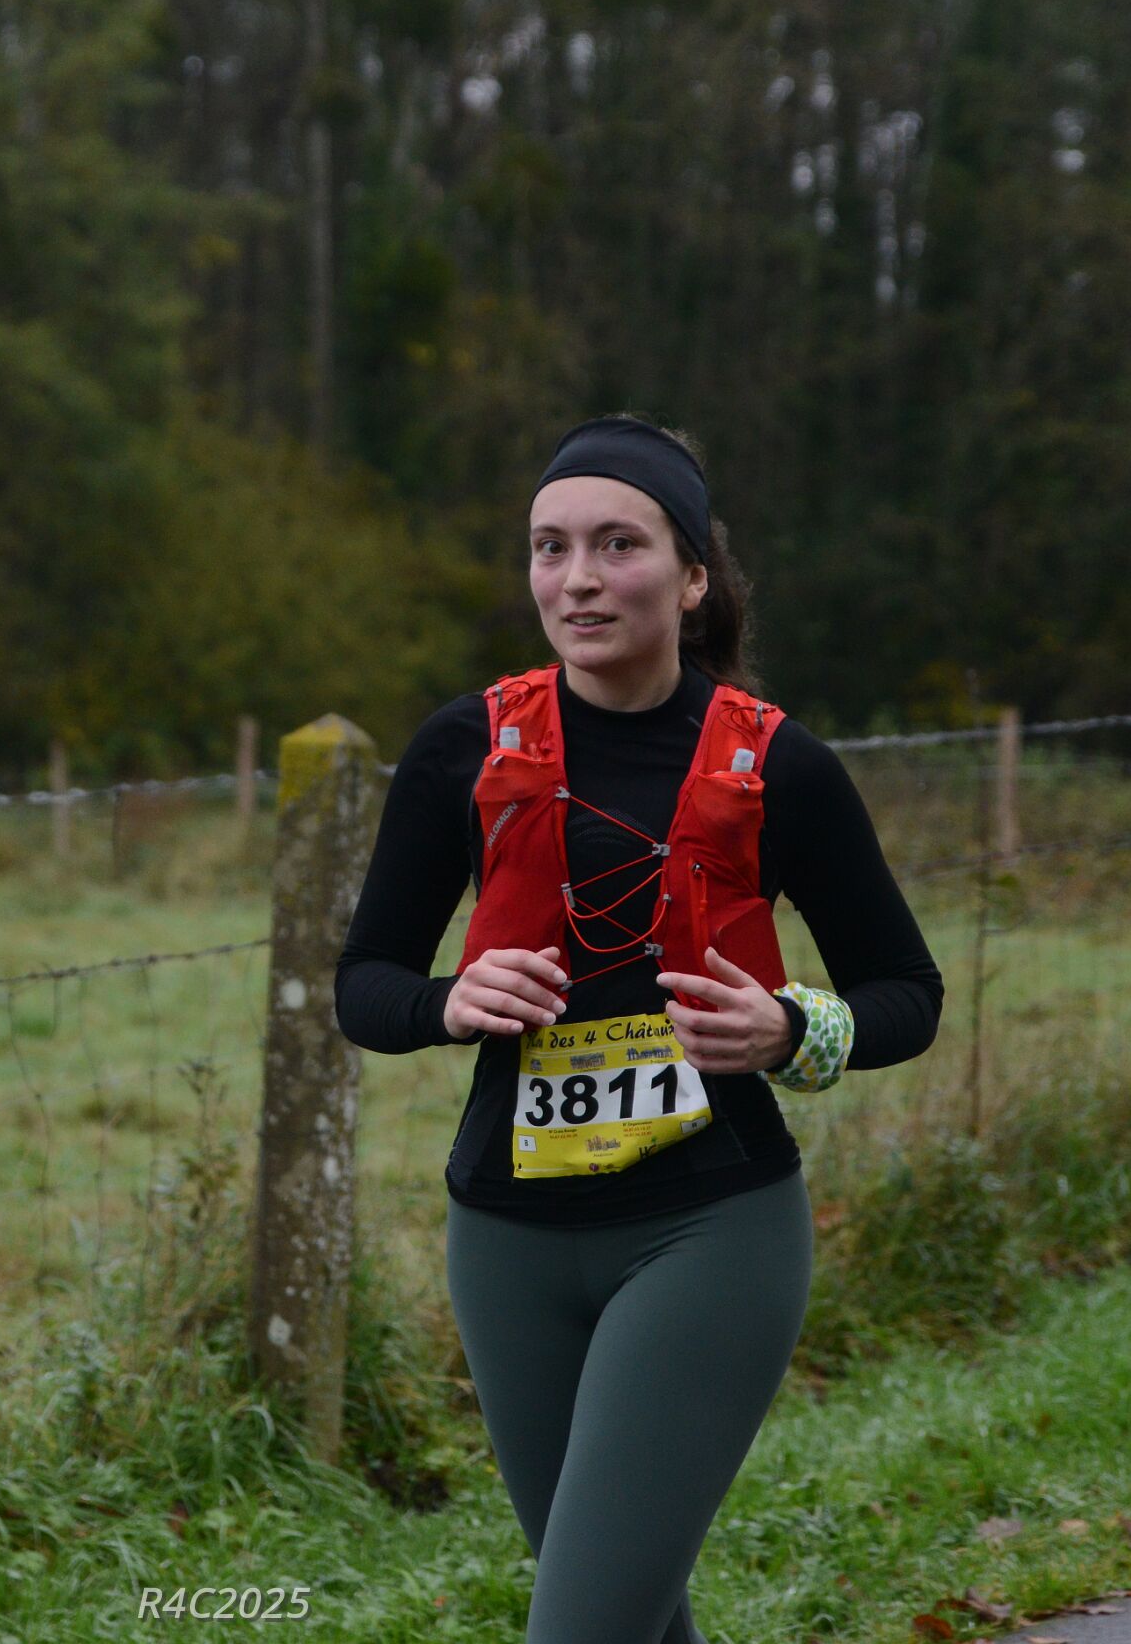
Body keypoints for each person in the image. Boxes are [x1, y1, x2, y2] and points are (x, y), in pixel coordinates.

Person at [333, 414, 945, 1644]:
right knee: (631, 1619)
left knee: (581, 1626)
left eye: (617, 544)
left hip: (707, 1230)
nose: (577, 578)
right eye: (548, 547)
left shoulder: (778, 765)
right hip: (505, 1241)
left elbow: (905, 994)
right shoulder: (463, 748)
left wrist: (788, 1030)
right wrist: (444, 1002)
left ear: (692, 575)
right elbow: (364, 983)